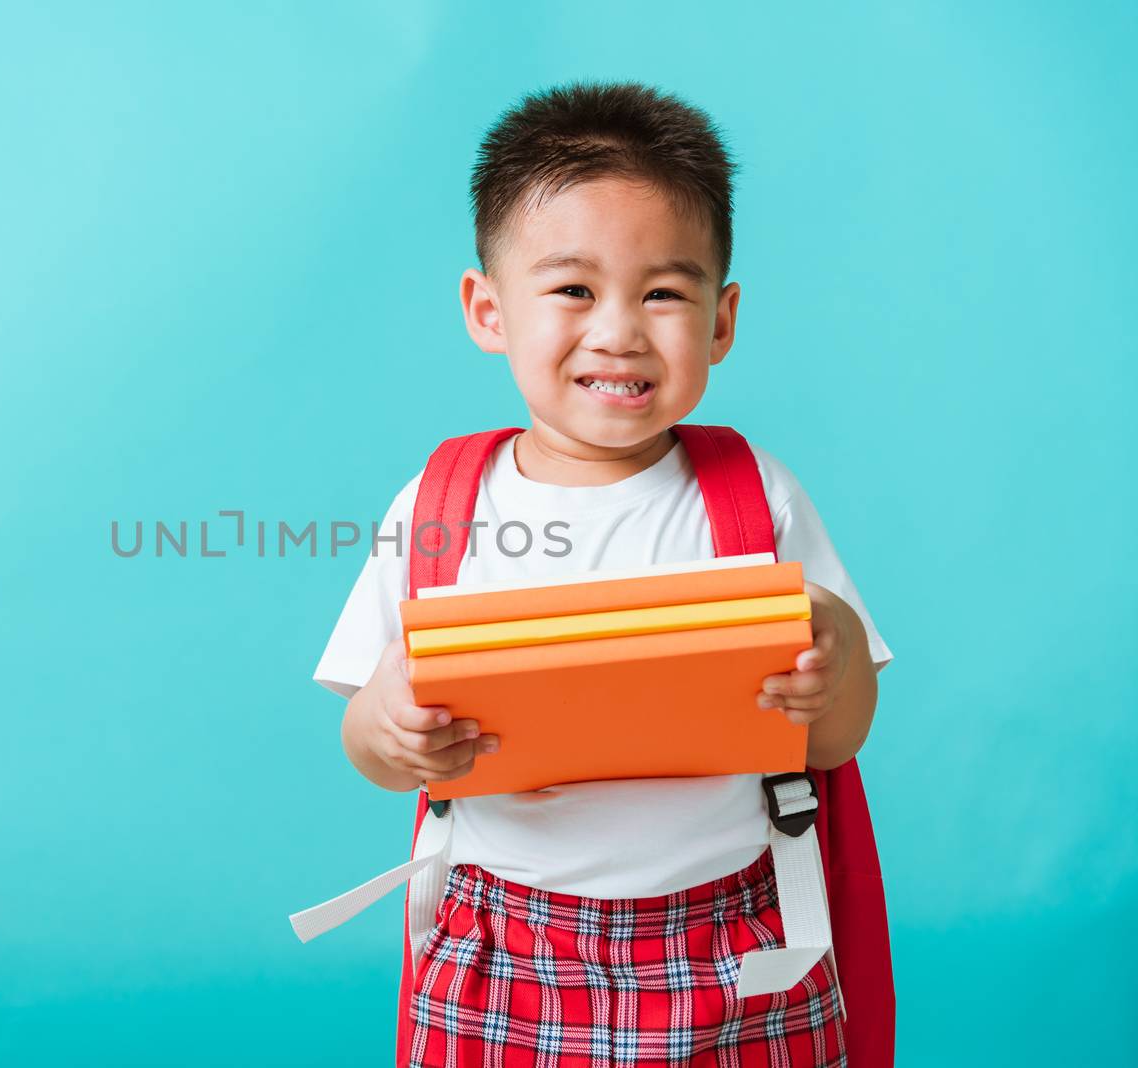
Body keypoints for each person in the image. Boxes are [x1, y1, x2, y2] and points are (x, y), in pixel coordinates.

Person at [311, 80, 893, 1066]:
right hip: (503, 941)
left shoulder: (754, 498)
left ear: (720, 321)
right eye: (573, 289)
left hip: (730, 935)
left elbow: (837, 740)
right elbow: (367, 743)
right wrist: (392, 729)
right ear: (488, 311)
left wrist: (830, 667)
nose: (620, 330)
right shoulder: (439, 506)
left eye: (663, 291)